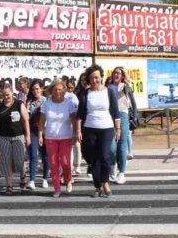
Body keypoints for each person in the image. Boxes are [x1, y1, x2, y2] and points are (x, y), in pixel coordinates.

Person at [76, 65, 120, 198]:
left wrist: (118, 129)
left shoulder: (110, 91)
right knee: (94, 159)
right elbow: (79, 115)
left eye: (96, 77)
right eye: (91, 78)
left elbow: (115, 112)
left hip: (106, 128)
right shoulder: (85, 93)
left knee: (105, 156)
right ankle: (97, 186)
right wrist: (78, 131)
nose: (94, 80)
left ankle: (105, 182)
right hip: (89, 129)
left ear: (101, 76)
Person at [39, 79, 77, 197]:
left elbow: (74, 120)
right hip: (50, 137)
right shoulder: (46, 103)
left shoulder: (69, 103)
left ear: (64, 90)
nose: (57, 92)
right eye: (55, 90)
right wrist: (40, 134)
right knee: (54, 163)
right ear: (51, 91)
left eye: (60, 89)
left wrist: (75, 133)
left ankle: (68, 179)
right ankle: (57, 188)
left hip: (66, 136)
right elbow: (42, 120)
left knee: (65, 162)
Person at [0, 83, 30, 195]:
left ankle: (23, 176)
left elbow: (25, 120)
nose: (6, 97)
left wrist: (27, 136)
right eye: (4, 95)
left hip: (18, 136)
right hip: (3, 137)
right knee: (6, 161)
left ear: (12, 93)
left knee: (19, 161)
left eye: (8, 94)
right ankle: (9, 185)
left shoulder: (19, 104)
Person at [107, 66, 136, 185]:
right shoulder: (108, 87)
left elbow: (130, 89)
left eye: (119, 73)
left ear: (122, 75)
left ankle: (122, 172)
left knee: (122, 145)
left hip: (123, 115)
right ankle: (112, 169)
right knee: (111, 146)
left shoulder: (125, 86)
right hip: (110, 116)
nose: (116, 75)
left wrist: (126, 77)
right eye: (115, 73)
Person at [26, 78, 49, 190]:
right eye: (33, 89)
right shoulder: (30, 102)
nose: (35, 91)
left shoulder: (47, 101)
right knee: (33, 155)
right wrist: (30, 110)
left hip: (46, 131)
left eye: (37, 89)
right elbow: (27, 118)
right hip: (33, 131)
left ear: (42, 89)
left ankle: (45, 178)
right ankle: (31, 180)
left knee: (45, 156)